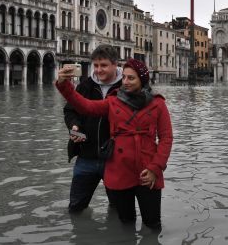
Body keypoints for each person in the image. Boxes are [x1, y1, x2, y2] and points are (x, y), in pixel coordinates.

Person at [56, 58, 173, 230]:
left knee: (153, 223)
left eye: (131, 78)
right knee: (126, 222)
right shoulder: (113, 101)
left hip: (148, 170)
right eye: (124, 77)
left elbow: (166, 138)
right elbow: (85, 106)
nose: (125, 82)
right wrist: (63, 84)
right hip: (120, 170)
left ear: (142, 79)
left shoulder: (158, 104)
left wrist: (156, 168)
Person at [64, 45, 123, 213]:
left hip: (115, 159)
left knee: (118, 209)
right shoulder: (85, 86)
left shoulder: (126, 86)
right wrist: (74, 127)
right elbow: (70, 110)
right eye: (95, 66)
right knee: (75, 208)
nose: (98, 70)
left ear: (115, 64)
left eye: (103, 65)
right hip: (86, 156)